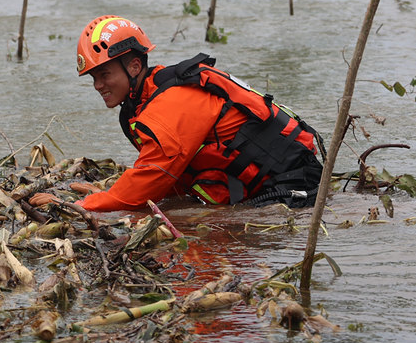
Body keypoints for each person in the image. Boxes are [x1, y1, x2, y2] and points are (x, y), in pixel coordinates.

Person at [75, 15, 324, 213]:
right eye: (94, 77)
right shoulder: (146, 100)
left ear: (134, 66)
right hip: (269, 184)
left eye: (105, 74)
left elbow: (153, 176)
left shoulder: (172, 102)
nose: (98, 85)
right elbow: (168, 178)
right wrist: (103, 192)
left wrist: (86, 205)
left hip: (293, 186)